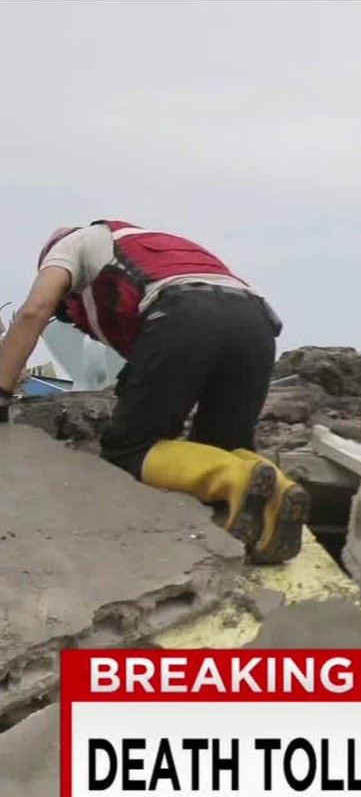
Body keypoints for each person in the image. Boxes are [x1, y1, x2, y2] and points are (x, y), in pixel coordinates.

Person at [0, 221, 309, 564]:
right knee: (220, 448)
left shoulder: (71, 245)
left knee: (129, 451)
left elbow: (33, 312)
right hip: (254, 322)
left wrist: (1, 393)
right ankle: (281, 492)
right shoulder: (151, 244)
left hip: (184, 313)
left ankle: (237, 478)